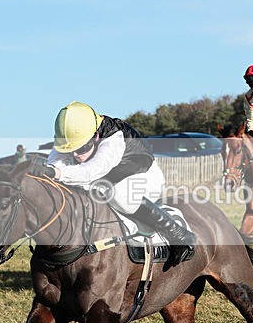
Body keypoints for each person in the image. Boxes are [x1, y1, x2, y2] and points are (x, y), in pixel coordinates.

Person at [31, 101, 195, 265]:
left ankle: (179, 235)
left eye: (81, 149)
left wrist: (56, 172)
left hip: (143, 177)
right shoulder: (74, 135)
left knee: (117, 195)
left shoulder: (113, 139)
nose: (75, 155)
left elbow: (91, 171)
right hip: (109, 177)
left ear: (96, 137)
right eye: (69, 150)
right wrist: (48, 171)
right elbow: (56, 164)